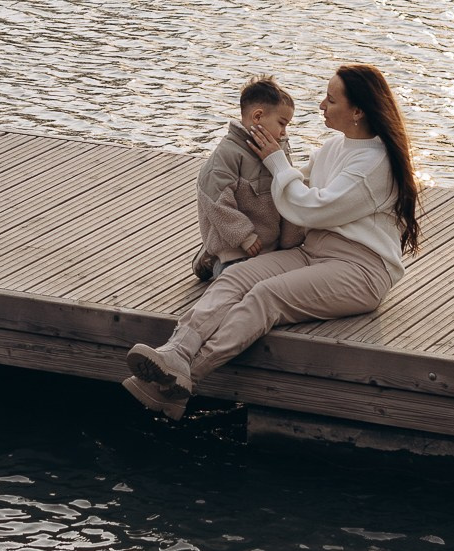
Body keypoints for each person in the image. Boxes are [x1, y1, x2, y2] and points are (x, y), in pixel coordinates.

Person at [124, 64, 422, 419]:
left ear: (357, 111)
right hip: (313, 251)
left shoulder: (375, 163)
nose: (321, 106)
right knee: (236, 277)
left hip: (360, 270)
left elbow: (311, 208)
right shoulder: (333, 148)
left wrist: (277, 161)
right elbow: (293, 182)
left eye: (330, 99)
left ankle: (188, 376)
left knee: (266, 296)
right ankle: (176, 353)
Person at [189, 77, 308, 285]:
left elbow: (287, 192)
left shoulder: (280, 150)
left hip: (269, 248)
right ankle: (213, 256)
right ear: (258, 116)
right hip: (236, 249)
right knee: (236, 284)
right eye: (282, 123)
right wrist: (244, 236)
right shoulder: (227, 154)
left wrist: (291, 239)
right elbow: (215, 201)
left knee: (292, 282)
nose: (284, 132)